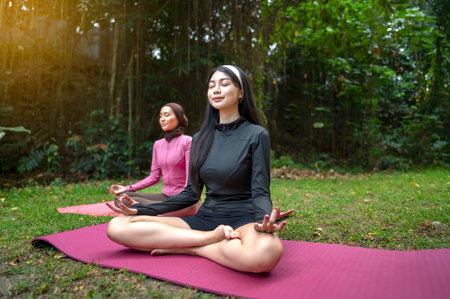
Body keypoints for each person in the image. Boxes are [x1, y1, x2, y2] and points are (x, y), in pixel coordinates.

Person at [106, 65, 286, 273]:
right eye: (211, 86)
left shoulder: (257, 135)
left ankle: (194, 248)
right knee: (118, 226)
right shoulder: (200, 138)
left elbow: (261, 191)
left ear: (241, 93)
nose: (216, 89)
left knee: (267, 252)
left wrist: (264, 220)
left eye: (224, 84)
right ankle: (210, 239)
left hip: (243, 218)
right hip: (205, 219)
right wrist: (141, 209)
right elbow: (191, 194)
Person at [108, 102, 200, 216]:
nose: (162, 119)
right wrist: (127, 188)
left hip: (183, 198)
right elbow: (154, 177)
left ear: (178, 118)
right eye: (160, 116)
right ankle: (158, 208)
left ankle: (155, 208)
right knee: (121, 198)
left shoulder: (188, 142)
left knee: (186, 207)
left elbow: (190, 176)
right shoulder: (158, 144)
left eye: (167, 115)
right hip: (165, 197)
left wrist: (183, 197)